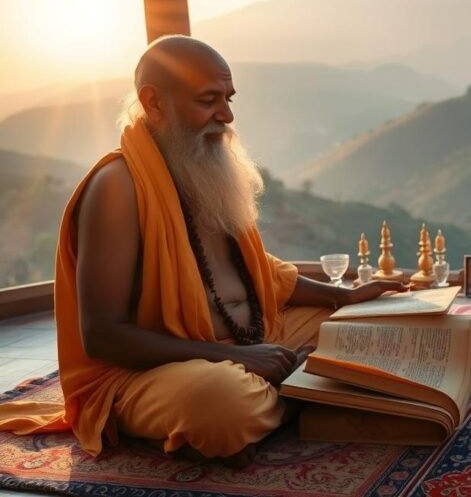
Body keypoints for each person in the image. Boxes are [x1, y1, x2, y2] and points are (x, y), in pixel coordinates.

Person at [0, 36, 405, 466]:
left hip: (250, 342)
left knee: (370, 331)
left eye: (228, 99)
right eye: (209, 100)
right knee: (220, 404)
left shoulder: (202, 166)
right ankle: (299, 395)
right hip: (153, 374)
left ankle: (290, 395)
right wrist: (235, 357)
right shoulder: (118, 187)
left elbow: (255, 273)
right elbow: (103, 335)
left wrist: (340, 297)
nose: (227, 116)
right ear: (153, 102)